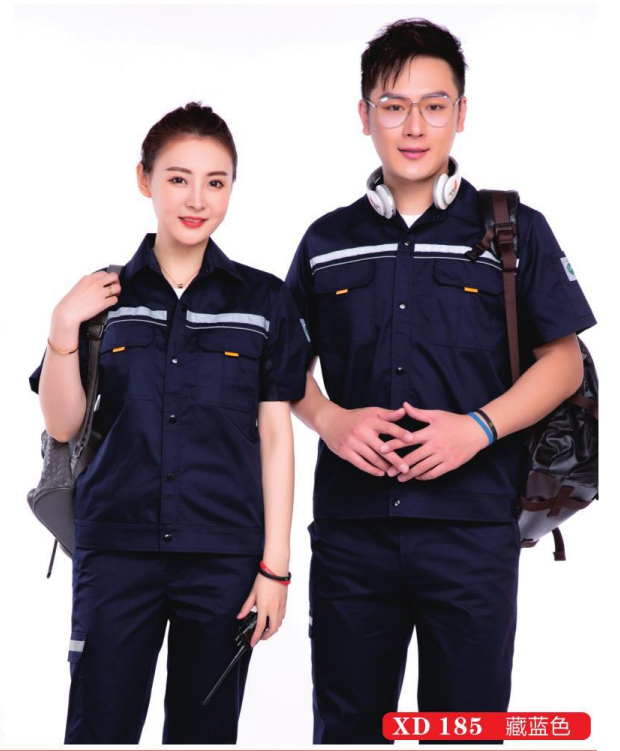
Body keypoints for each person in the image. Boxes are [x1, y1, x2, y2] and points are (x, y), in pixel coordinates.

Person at [285, 18, 597, 745]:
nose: (414, 126)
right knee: (349, 730)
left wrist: (477, 429)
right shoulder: (325, 241)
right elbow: (284, 368)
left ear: (461, 113)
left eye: (434, 105)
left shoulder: (514, 230)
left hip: (472, 531)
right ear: (365, 115)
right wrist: (330, 419)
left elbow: (563, 363)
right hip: (353, 534)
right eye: (394, 106)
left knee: (466, 731)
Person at [28, 102, 312, 744]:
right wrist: (62, 327)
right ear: (145, 179)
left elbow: (276, 438)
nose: (197, 199)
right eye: (178, 178)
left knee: (204, 732)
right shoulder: (101, 297)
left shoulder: (264, 299)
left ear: (232, 188)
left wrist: (276, 567)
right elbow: (65, 424)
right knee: (98, 729)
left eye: (216, 181)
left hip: (224, 559)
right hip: (115, 552)